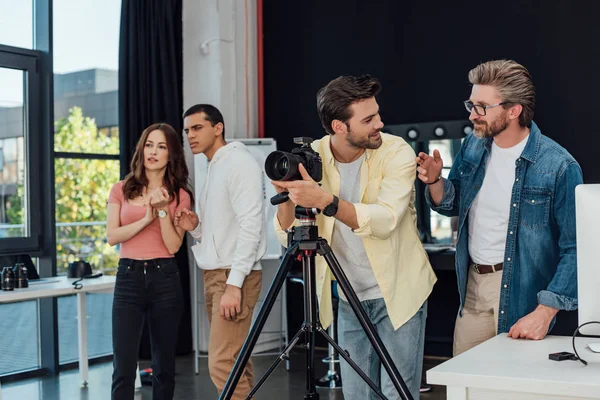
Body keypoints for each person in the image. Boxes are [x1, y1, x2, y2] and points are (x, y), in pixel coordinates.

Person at [272, 75, 437, 399]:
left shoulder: (395, 152)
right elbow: (284, 236)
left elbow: (386, 219)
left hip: (400, 296)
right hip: (349, 299)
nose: (380, 123)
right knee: (357, 396)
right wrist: (289, 196)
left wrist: (326, 202)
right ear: (338, 126)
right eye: (368, 119)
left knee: (398, 395)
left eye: (377, 114)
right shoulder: (313, 156)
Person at [417, 59, 582, 356]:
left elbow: (577, 248)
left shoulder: (558, 166)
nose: (472, 114)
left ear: (513, 110)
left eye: (481, 106)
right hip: (473, 286)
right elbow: (454, 203)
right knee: (465, 383)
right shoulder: (474, 145)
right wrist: (434, 182)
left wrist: (545, 312)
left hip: (522, 290)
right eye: (471, 103)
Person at [174, 104, 266, 399]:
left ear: (218, 127)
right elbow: (223, 229)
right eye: (187, 130)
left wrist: (234, 284)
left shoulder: (239, 163)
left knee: (221, 364)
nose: (190, 135)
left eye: (197, 127)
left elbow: (251, 225)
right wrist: (196, 227)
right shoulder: (213, 165)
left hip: (232, 276)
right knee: (235, 362)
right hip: (216, 274)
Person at [106, 122, 193, 400]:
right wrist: (146, 218)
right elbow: (112, 236)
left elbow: (173, 245)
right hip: (128, 276)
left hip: (164, 277)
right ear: (141, 149)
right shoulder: (121, 189)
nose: (153, 152)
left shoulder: (180, 195)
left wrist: (163, 211)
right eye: (149, 144)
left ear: (171, 155)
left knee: (163, 366)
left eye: (162, 146)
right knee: (123, 365)